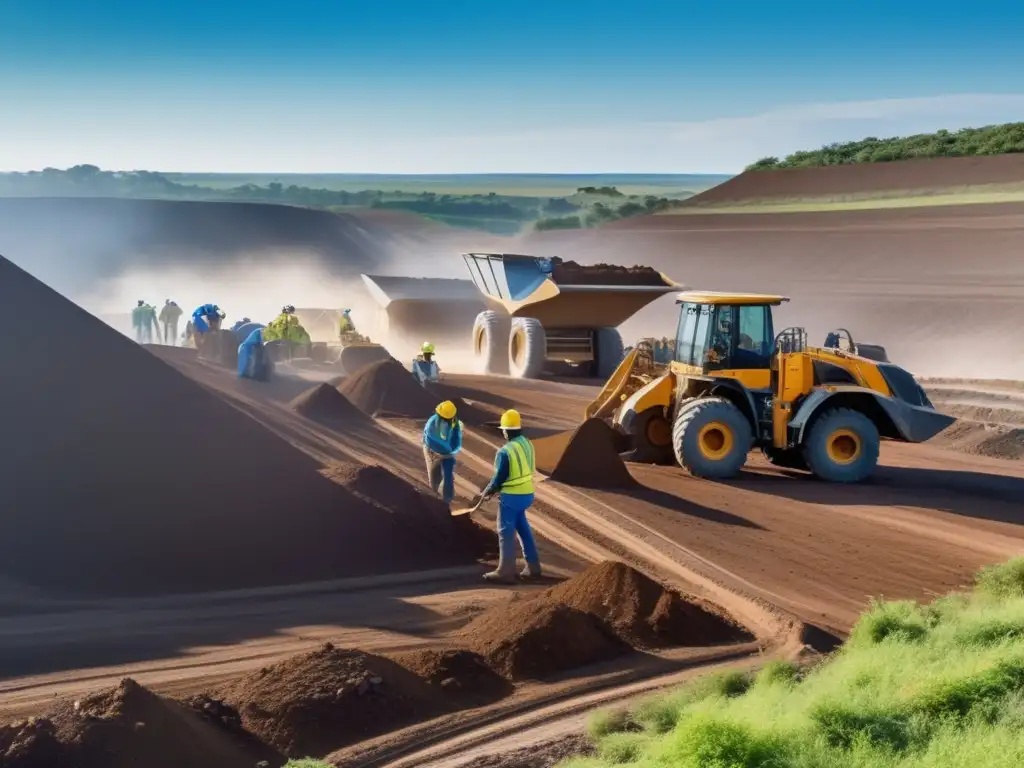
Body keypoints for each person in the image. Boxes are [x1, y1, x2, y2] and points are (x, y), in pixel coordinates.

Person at [478, 409, 541, 583]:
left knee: (505, 531)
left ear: (506, 430)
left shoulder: (505, 452)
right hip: (527, 494)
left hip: (512, 497)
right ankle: (534, 567)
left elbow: (500, 477)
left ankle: (505, 571)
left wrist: (489, 490)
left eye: (503, 430)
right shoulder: (527, 443)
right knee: (523, 529)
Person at [422, 400, 462, 507]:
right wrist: (443, 452)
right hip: (432, 451)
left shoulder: (454, 423)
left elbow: (456, 439)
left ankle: (446, 502)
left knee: (448, 475)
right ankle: (434, 501)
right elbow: (431, 441)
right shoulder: (431, 424)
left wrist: (452, 451)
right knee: (434, 478)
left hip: (447, 452)